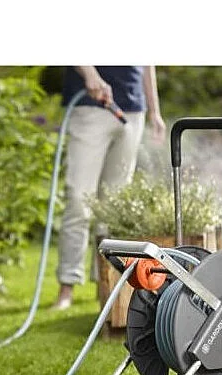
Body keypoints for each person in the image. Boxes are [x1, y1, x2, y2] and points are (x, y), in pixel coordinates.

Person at [53, 66, 166, 309]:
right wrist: (91, 75)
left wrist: (154, 111)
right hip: (91, 104)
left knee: (113, 208)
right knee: (79, 200)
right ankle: (67, 286)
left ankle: (105, 286)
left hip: (133, 109)